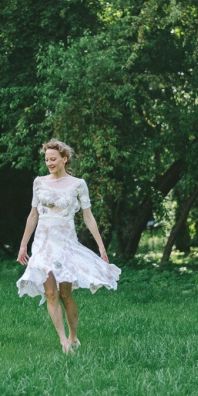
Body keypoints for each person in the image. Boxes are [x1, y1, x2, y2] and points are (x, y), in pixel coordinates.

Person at [16, 139, 121, 354]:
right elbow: (33, 215)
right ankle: (63, 341)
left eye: (53, 159)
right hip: (43, 244)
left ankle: (74, 337)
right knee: (51, 293)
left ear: (64, 159)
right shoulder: (39, 182)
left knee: (65, 294)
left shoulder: (78, 184)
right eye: (46, 159)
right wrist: (23, 245)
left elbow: (88, 217)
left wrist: (101, 247)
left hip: (65, 244)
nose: (49, 163)